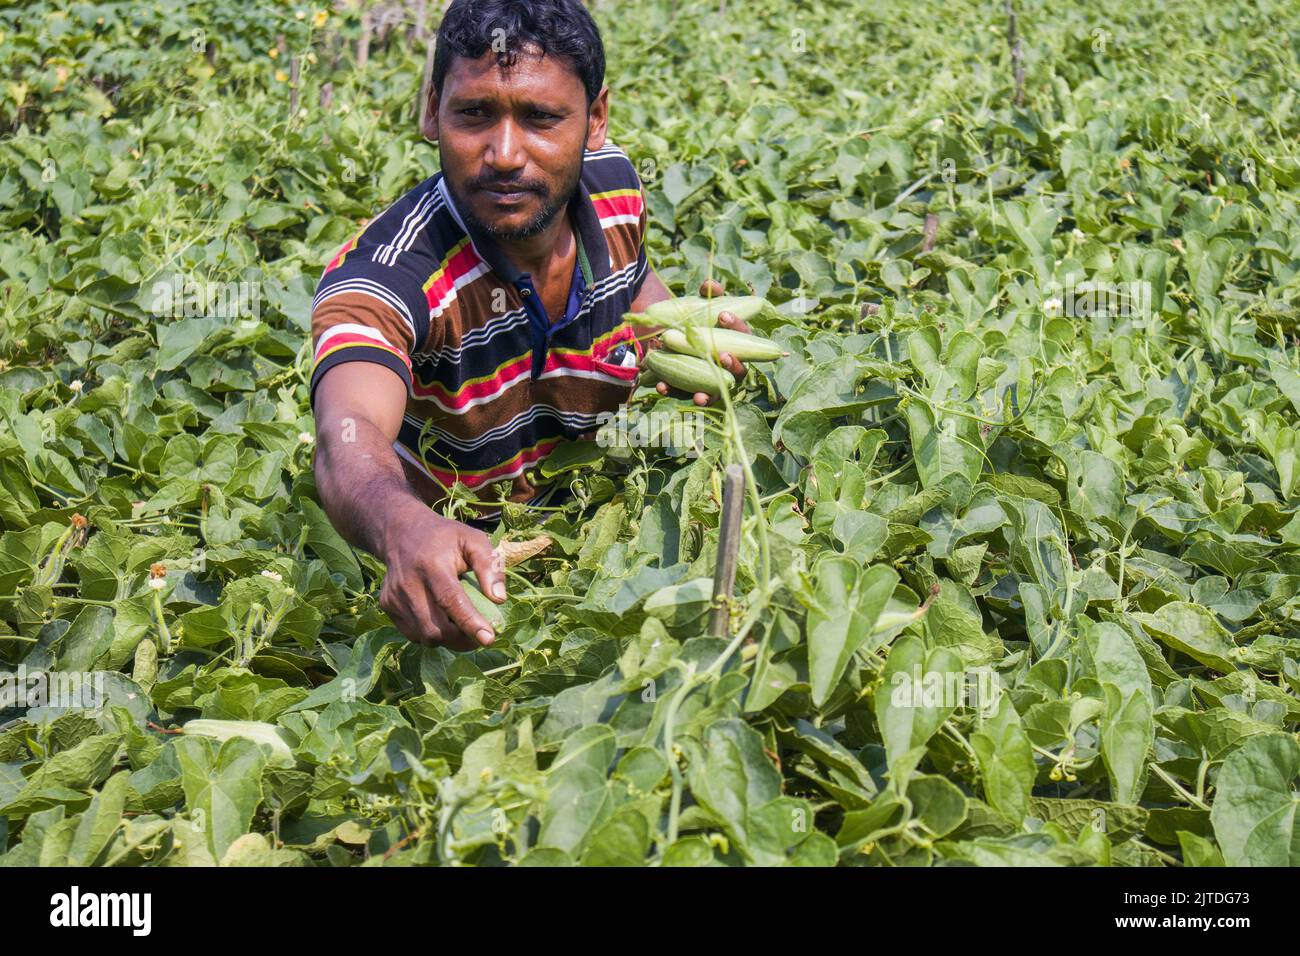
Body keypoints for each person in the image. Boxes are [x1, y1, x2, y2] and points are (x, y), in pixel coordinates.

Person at [310, 0, 753, 650]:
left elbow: (633, 281)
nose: (506, 154)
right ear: (432, 110)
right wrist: (401, 525)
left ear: (594, 118)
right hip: (458, 558)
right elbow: (344, 437)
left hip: (593, 499)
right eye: (475, 114)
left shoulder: (614, 189)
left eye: (542, 118)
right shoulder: (389, 277)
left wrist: (674, 337)